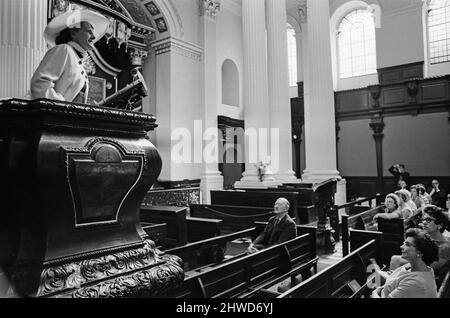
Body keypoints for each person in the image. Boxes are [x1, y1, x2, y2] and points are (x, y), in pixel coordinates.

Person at [30, 9, 109, 104]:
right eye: (89, 31)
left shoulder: (75, 56)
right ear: (73, 33)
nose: (93, 36)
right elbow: (40, 84)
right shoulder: (64, 50)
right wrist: (62, 108)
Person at [390, 205, 450, 289]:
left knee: (396, 260)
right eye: (424, 219)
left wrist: (402, 270)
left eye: (429, 220)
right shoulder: (433, 238)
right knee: (396, 260)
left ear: (439, 225)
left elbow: (427, 270)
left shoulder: (444, 247)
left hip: (429, 284)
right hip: (423, 275)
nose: (424, 222)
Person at [371, 228, 439, 298]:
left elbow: (407, 283)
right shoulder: (415, 267)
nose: (401, 246)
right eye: (404, 243)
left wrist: (374, 293)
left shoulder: (415, 283)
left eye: (407, 244)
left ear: (419, 252)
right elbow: (400, 280)